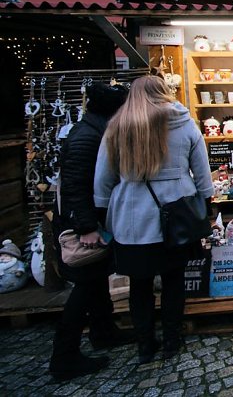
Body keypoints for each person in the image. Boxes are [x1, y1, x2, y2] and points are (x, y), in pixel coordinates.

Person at [94, 76, 213, 364]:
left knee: (140, 285)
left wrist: (101, 211)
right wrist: (207, 202)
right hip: (177, 213)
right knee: (174, 281)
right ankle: (172, 340)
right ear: (164, 93)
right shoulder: (183, 122)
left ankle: (145, 344)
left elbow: (103, 177)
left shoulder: (118, 127)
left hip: (132, 216)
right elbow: (202, 171)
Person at [49, 81, 134, 381]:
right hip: (81, 225)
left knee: (97, 279)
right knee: (85, 287)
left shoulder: (95, 130)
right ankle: (64, 357)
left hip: (92, 220)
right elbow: (75, 185)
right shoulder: (88, 137)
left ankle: (104, 331)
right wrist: (85, 227)